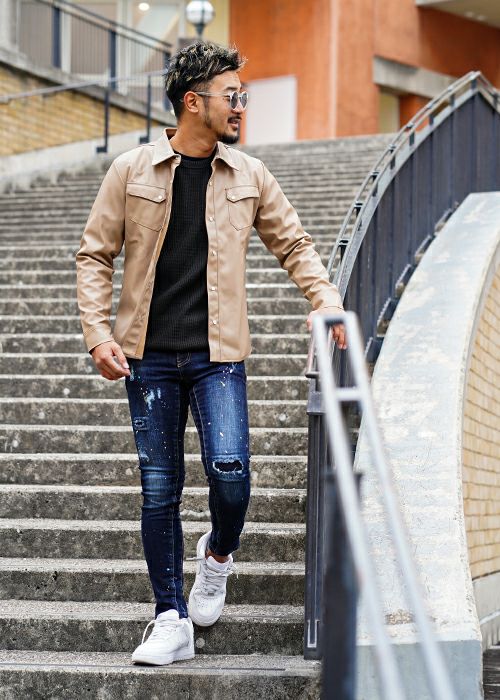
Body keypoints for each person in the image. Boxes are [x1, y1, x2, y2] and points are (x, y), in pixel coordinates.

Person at [75, 41, 346, 667]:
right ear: (193, 102)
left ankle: (218, 555)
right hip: (147, 357)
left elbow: (294, 243)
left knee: (231, 472)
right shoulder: (130, 171)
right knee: (158, 489)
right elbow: (95, 254)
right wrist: (97, 332)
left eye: (242, 95)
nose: (241, 106)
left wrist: (325, 297)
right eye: (232, 95)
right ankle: (170, 616)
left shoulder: (250, 174)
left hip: (217, 355)